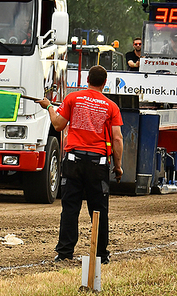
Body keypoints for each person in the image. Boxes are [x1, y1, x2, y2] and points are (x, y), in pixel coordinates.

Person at [37, 65, 123, 264]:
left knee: (70, 208)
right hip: (98, 163)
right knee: (99, 210)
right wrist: (117, 166)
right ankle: (101, 254)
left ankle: (65, 253)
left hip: (73, 161)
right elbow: (117, 139)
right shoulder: (111, 106)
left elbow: (58, 124)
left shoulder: (73, 98)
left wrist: (49, 106)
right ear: (105, 82)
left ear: (87, 80)